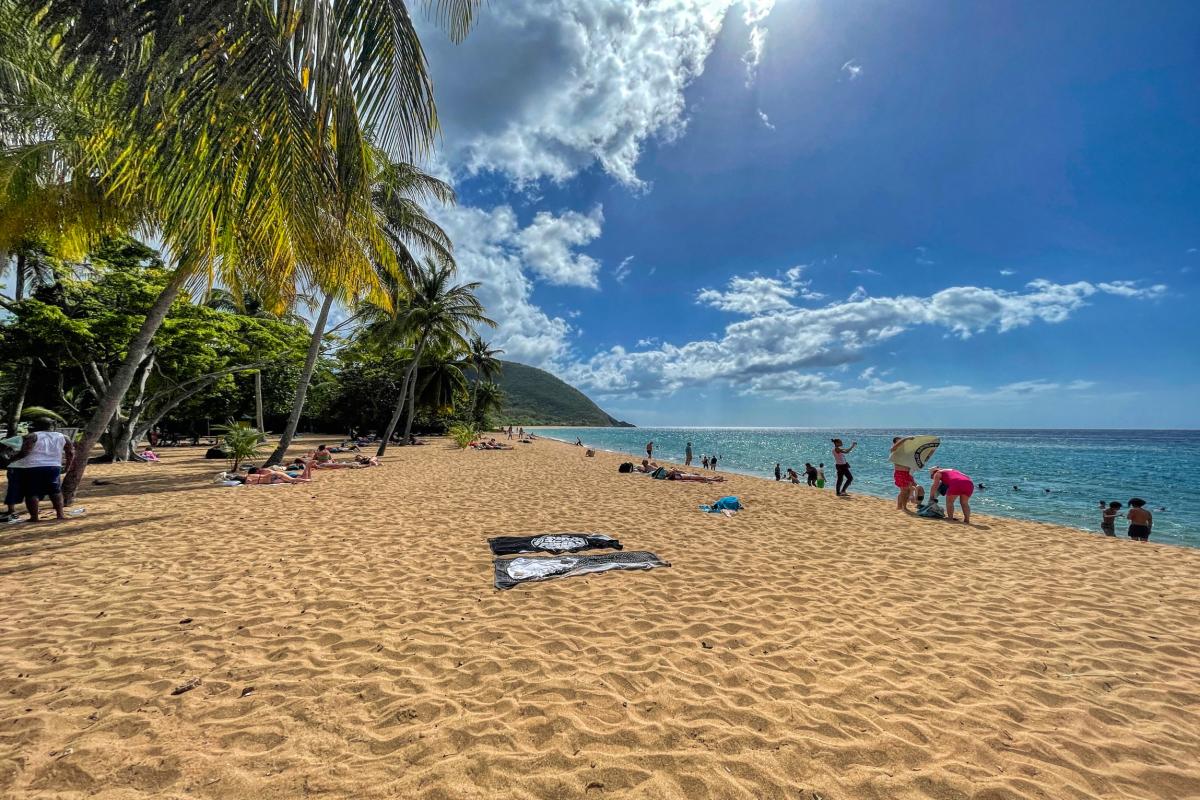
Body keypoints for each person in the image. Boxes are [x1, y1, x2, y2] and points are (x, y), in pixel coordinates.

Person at [7, 418, 74, 522]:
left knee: (31, 492)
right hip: (54, 466)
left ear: (36, 426)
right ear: (51, 426)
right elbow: (70, 453)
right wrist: (67, 466)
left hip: (32, 466)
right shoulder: (64, 437)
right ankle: (60, 515)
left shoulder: (32, 436)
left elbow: (25, 452)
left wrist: (11, 460)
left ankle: (34, 517)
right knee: (55, 490)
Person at [890, 436, 916, 511]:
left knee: (906, 491)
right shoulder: (894, 451)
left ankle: (899, 506)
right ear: (895, 443)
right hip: (900, 473)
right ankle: (904, 508)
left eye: (902, 442)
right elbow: (893, 448)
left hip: (908, 473)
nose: (902, 443)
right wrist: (905, 439)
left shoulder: (905, 452)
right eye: (899, 442)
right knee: (904, 490)